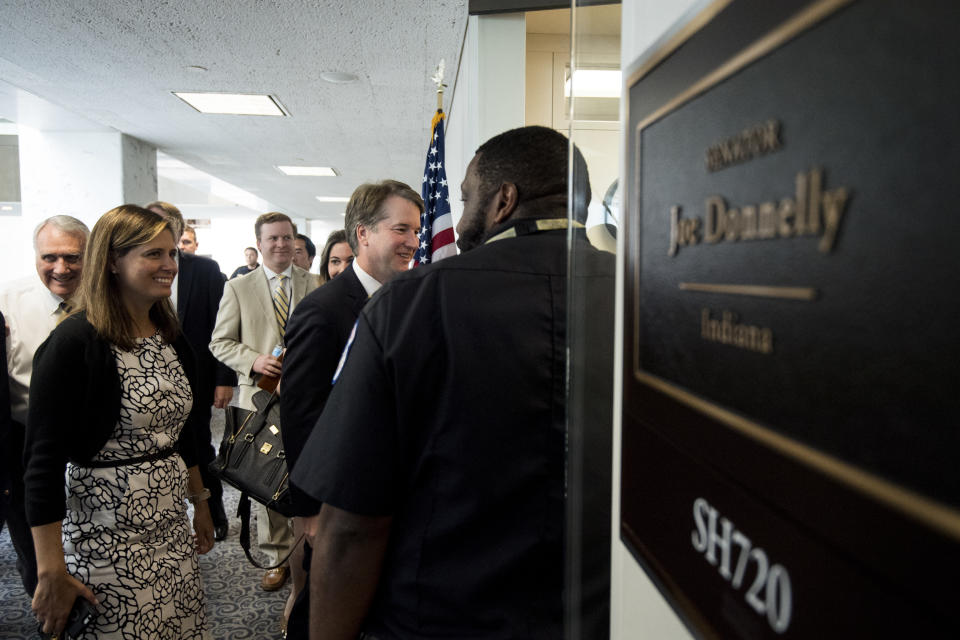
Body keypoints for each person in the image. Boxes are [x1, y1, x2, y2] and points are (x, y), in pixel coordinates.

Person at [290, 126, 615, 640]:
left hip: (437, 617)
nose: (457, 224)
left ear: (503, 200)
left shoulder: (408, 304)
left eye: (465, 199)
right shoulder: (648, 296)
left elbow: (354, 522)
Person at [24, 205, 215, 638]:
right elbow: (42, 465)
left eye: (172, 254)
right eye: (154, 255)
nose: (169, 265)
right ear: (111, 260)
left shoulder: (170, 336)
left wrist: (201, 500)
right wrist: (50, 568)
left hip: (170, 526)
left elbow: (182, 435)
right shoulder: (74, 343)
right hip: (105, 538)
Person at [280, 181, 422, 639]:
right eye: (401, 228)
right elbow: (300, 414)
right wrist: (309, 511)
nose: (413, 242)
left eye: (417, 231)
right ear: (362, 233)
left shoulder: (407, 299)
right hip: (334, 499)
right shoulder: (322, 310)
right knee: (322, 611)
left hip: (383, 494)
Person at [209, 212, 317, 592]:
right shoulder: (238, 287)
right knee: (264, 473)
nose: (281, 245)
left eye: (287, 238)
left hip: (306, 396)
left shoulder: (315, 283)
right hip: (258, 394)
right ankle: (275, 556)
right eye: (273, 238)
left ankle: (307, 548)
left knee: (304, 470)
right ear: (259, 242)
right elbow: (219, 342)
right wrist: (253, 361)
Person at [0, 215, 90, 598]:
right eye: (49, 257)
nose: (60, 268)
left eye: (72, 257)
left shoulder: (113, 302)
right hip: (26, 451)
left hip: (95, 448)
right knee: (39, 561)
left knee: (93, 554)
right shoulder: (7, 304)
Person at [147, 200, 236, 541]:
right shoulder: (132, 274)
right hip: (148, 379)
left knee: (200, 447)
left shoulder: (205, 270)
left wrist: (224, 379)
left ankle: (213, 512)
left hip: (194, 378)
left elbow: (222, 327)